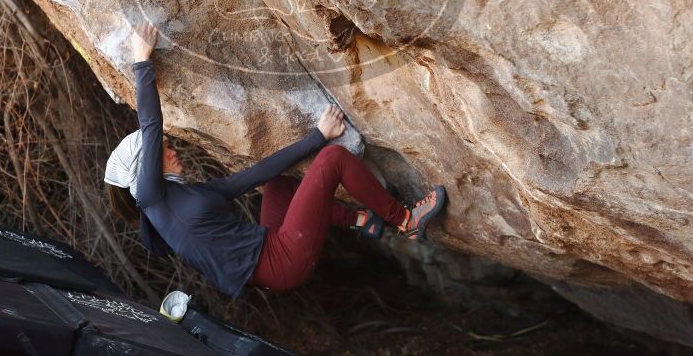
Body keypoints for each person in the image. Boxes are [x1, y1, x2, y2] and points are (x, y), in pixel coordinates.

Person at [104, 21, 447, 299]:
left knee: (279, 185)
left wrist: (315, 136)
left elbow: (255, 174)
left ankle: (361, 221)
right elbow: (151, 125)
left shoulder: (189, 198)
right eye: (162, 151)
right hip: (280, 262)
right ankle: (405, 220)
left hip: (268, 253)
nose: (171, 150)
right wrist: (141, 59)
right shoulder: (151, 199)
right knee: (333, 159)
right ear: (143, 168)